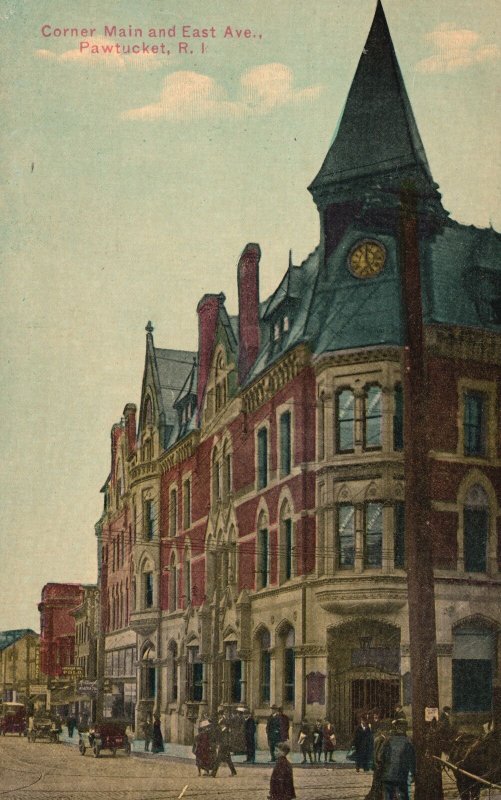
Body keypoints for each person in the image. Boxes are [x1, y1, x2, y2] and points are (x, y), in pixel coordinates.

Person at [380, 719, 416, 800]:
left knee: (388, 796)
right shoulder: (408, 742)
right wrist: (413, 774)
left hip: (387, 774)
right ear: (405, 729)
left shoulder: (388, 740)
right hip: (401, 775)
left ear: (396, 728)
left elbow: (380, 757)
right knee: (403, 795)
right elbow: (412, 760)